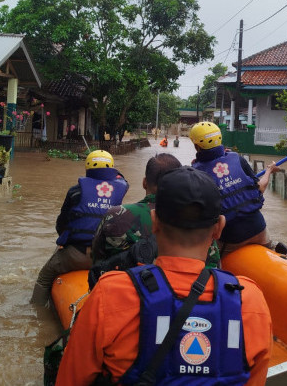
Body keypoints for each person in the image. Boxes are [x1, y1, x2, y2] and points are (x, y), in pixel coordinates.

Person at [55, 166, 272, 385]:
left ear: (155, 222)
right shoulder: (250, 301)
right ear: (219, 229)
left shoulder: (110, 294)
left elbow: (70, 379)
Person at [89, 154, 220, 288]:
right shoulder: (197, 222)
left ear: (144, 182)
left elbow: (96, 257)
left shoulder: (115, 214)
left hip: (120, 289)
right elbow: (214, 265)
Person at [30, 150, 129, 306]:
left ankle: (35, 311)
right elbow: (121, 179)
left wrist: (64, 239)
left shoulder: (75, 191)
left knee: (44, 277)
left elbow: (62, 223)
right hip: (106, 258)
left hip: (76, 255)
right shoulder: (119, 192)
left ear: (87, 169)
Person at [189, 121, 280, 257]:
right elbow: (259, 188)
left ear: (196, 146)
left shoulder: (194, 173)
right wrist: (269, 170)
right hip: (259, 230)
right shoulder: (237, 158)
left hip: (231, 239)